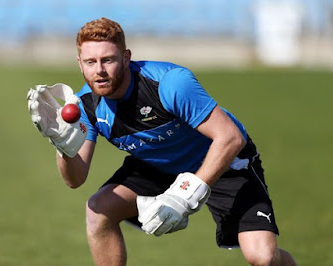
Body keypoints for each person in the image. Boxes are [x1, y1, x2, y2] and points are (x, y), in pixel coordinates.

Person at [27, 17, 296, 266]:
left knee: (263, 257)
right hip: (157, 164)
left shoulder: (169, 83)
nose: (100, 71)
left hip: (224, 161)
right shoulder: (86, 105)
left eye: (108, 60)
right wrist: (62, 144)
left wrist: (187, 192)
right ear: (79, 63)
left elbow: (230, 137)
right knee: (98, 210)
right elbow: (75, 179)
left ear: (126, 57)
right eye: (90, 62)